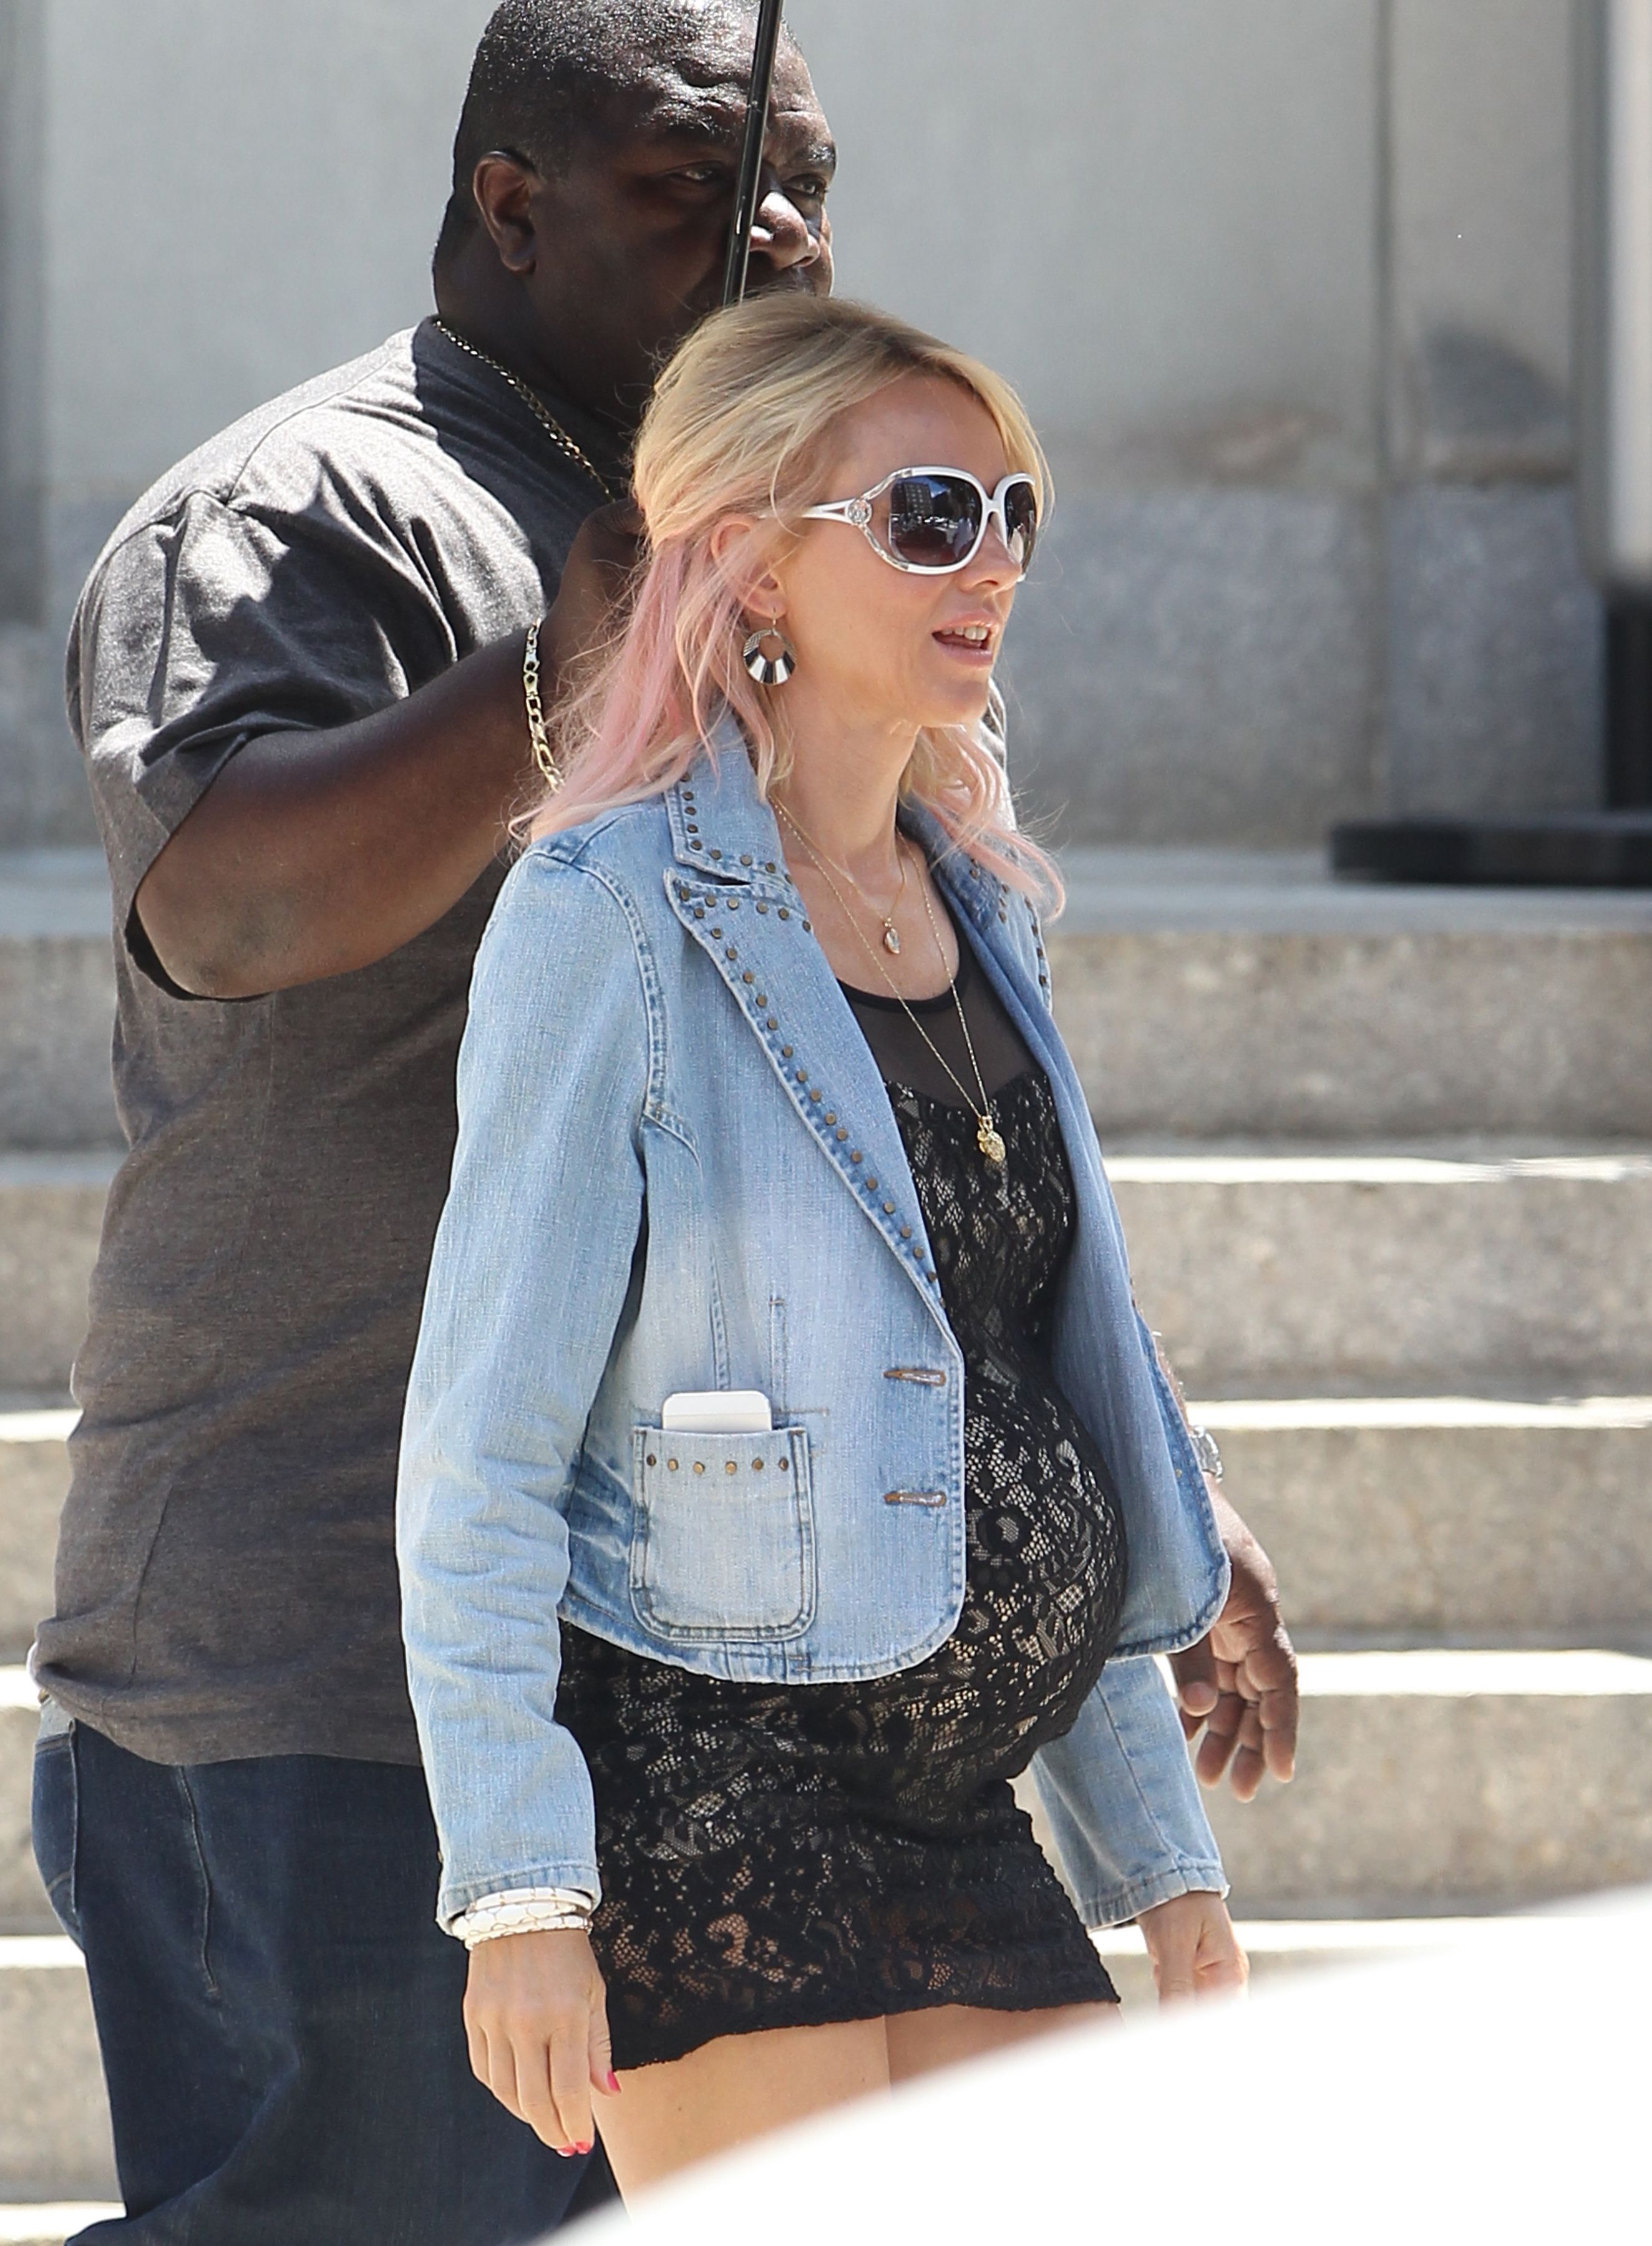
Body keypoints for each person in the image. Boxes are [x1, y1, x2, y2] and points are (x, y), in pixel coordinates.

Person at [32, 0, 1292, 2237]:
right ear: (511, 205)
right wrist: (567, 670)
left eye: (808, 183)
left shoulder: (855, 600)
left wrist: (1130, 1502)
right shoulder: (307, 509)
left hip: (778, 1680)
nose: (779, 231)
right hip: (332, 1656)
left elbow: (922, 1155)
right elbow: (223, 903)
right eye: (701, 186)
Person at [397, 293, 1251, 2199]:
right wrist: (520, 1890)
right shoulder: (611, 908)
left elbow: (1033, 1413)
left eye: (1016, 511)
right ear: (753, 563)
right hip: (708, 1779)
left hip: (958, 1800)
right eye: (930, 515)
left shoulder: (983, 907)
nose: (992, 561)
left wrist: (1167, 1867)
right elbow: (481, 1443)